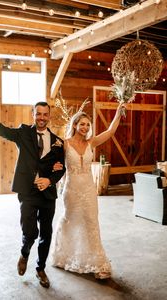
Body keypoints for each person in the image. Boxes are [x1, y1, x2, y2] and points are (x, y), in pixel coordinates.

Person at [0, 95, 65, 288]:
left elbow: (61, 167)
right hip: (27, 192)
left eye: (45, 114)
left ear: (49, 117)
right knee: (30, 231)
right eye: (38, 114)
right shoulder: (23, 132)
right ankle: (25, 253)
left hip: (47, 194)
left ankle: (40, 269)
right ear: (33, 115)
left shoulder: (58, 142)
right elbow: (0, 130)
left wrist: (49, 180)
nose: (42, 117)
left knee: (46, 232)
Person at [51, 103, 125, 280]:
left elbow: (110, 131)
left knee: (91, 222)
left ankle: (98, 263)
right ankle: (65, 255)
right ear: (75, 125)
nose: (85, 127)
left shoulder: (91, 142)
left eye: (87, 125)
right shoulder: (64, 144)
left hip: (88, 189)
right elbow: (52, 162)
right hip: (71, 189)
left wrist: (118, 113)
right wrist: (52, 168)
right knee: (72, 220)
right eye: (82, 124)